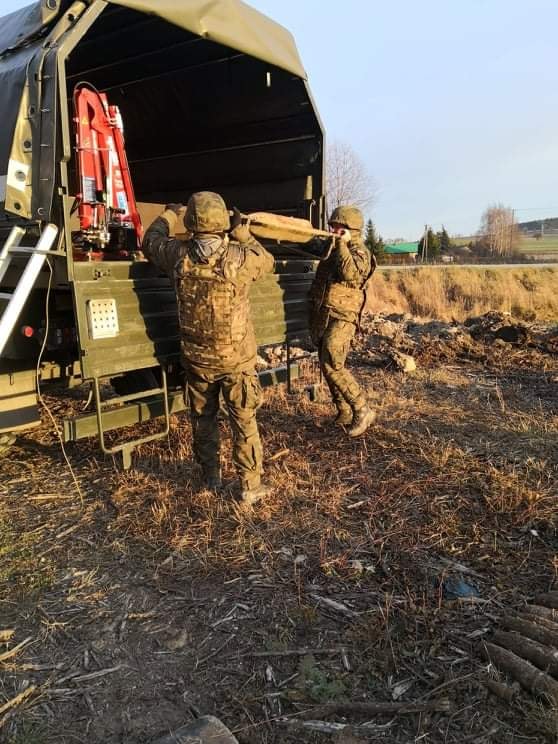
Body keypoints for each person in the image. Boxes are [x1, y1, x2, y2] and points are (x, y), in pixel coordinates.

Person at [142, 192, 275, 505]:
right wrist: (242, 232)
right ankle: (250, 486)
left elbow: (150, 242)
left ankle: (210, 478)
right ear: (223, 222)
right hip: (236, 362)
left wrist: (169, 215)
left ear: (190, 222)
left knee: (203, 420)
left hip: (197, 360)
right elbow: (266, 260)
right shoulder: (241, 258)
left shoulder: (177, 255)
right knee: (244, 422)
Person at [309, 205, 376, 437]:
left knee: (333, 360)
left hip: (344, 316)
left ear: (351, 228)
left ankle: (362, 409)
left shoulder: (360, 252)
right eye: (332, 226)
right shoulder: (334, 246)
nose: (333, 229)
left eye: (338, 226)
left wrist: (341, 244)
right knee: (326, 362)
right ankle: (344, 411)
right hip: (325, 312)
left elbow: (349, 274)